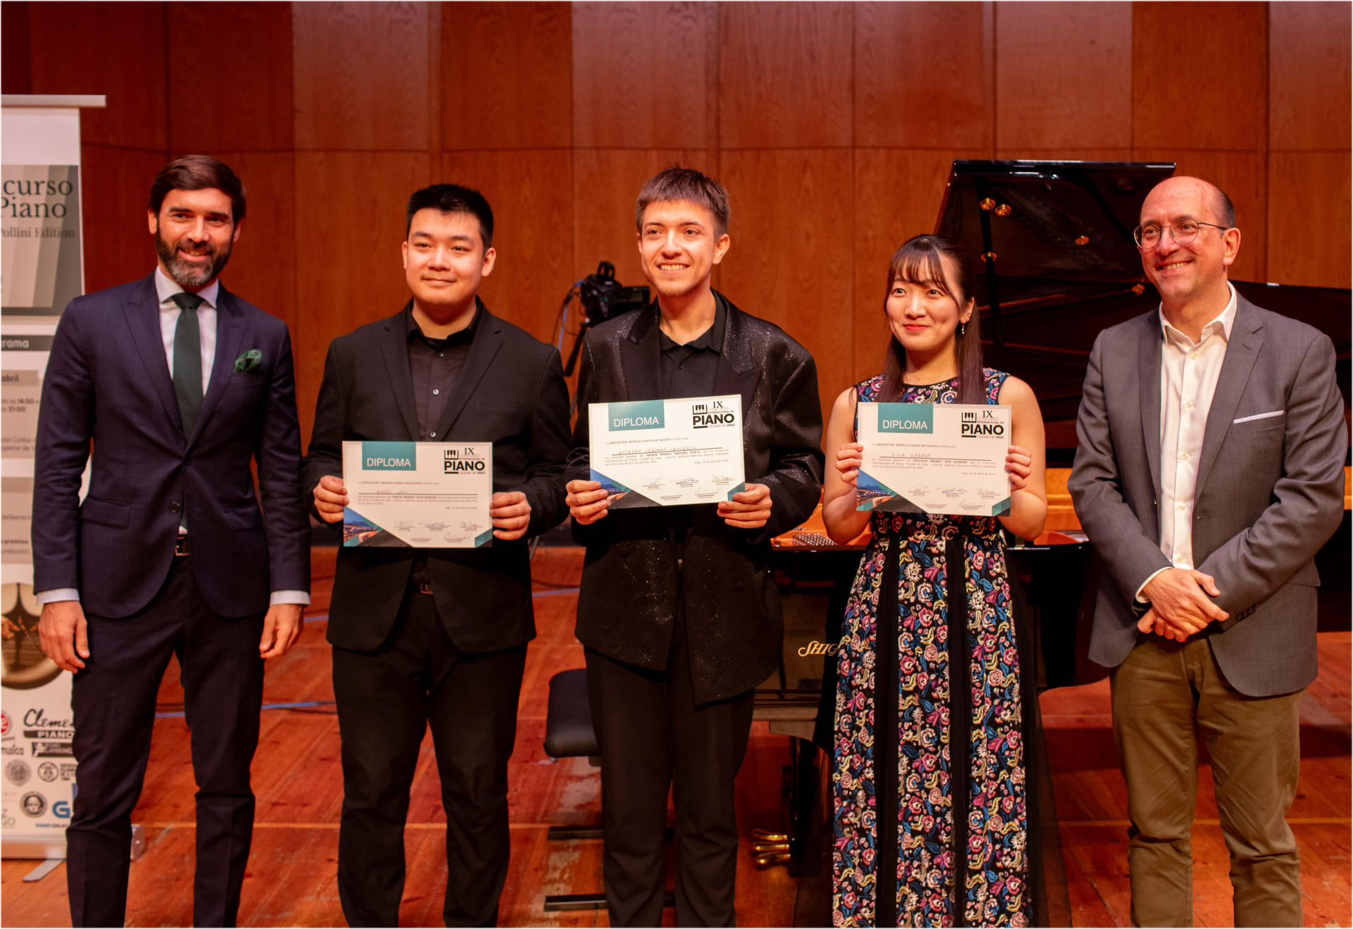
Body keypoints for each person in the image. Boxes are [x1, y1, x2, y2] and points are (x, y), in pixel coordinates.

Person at [32, 155, 310, 927]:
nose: (198, 233)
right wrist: (57, 590)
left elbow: (280, 468)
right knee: (103, 788)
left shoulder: (265, 335)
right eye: (183, 215)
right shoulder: (90, 321)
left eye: (215, 219)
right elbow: (57, 463)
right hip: (114, 587)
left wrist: (289, 586)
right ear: (153, 221)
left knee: (226, 782)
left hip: (230, 590)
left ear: (236, 231)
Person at [1068, 176, 1347, 927]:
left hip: (1252, 626)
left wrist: (1196, 591)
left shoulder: (1298, 349)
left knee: (1262, 846)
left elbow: (1312, 499)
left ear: (1229, 243)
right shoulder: (1113, 348)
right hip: (1142, 632)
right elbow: (1092, 482)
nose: (1166, 244)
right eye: (1150, 231)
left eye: (1186, 226)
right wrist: (1155, 580)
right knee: (1153, 835)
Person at [302, 184, 570, 927]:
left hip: (481, 615)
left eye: (458, 247)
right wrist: (320, 489)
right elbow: (317, 455)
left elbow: (558, 471)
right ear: (403, 253)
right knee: (370, 791)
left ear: (487, 260)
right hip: (373, 614)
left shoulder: (532, 361)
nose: (439, 260)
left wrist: (534, 504)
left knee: (478, 792)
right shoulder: (353, 354)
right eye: (424, 244)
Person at [565, 167, 824, 926]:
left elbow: (803, 465)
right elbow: (579, 454)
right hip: (624, 614)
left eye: (688, 232)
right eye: (654, 232)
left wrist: (773, 499)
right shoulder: (605, 347)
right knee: (630, 817)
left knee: (711, 817)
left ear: (721, 245)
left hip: (724, 612)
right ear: (639, 244)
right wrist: (580, 491)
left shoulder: (774, 354)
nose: (669, 247)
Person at [823, 235, 1050, 926]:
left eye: (932, 291)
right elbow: (838, 526)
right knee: (880, 769)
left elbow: (1033, 521)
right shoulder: (856, 402)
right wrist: (855, 486)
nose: (912, 306)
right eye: (900, 290)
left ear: (966, 308)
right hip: (885, 604)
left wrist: (1007, 489)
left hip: (977, 604)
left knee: (980, 769)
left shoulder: (1007, 396)